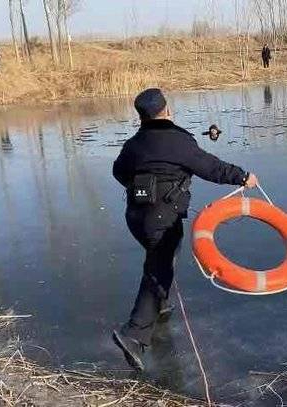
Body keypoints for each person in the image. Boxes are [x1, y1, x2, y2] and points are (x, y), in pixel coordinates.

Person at [111, 88, 258, 371]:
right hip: (161, 217)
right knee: (159, 268)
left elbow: (119, 172)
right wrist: (242, 177)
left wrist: (143, 184)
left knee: (160, 257)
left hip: (135, 216)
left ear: (142, 116)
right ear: (167, 110)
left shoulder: (133, 143)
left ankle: (160, 303)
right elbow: (210, 167)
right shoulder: (177, 140)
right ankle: (134, 334)